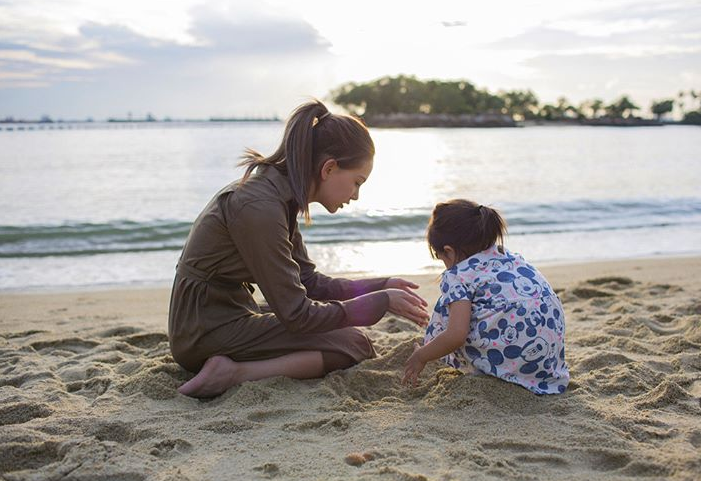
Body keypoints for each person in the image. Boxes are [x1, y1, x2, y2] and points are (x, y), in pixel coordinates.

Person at [169, 100, 429, 398]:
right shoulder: (261, 207)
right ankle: (234, 373)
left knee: (344, 333)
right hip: (203, 332)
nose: (356, 196)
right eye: (357, 182)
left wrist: (381, 286)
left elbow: (310, 283)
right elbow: (298, 315)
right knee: (354, 343)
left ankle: (234, 366)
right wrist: (378, 303)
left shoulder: (279, 195)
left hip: (224, 313)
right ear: (329, 168)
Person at [403, 199, 569, 394]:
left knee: (446, 309)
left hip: (508, 358)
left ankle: (488, 372)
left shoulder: (458, 275)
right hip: (545, 364)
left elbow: (456, 335)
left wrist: (422, 355)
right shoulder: (511, 259)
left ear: (448, 251)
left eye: (441, 258)